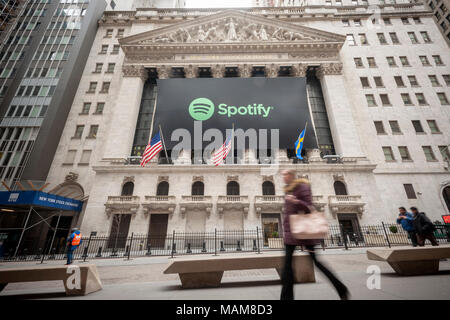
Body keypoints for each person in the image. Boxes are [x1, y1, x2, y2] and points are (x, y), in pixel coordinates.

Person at [280, 169, 349, 300]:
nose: (283, 177)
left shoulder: (302, 186)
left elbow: (308, 206)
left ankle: (341, 288)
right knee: (287, 267)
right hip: (291, 233)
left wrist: (296, 202)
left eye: (285, 174)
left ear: (291, 176)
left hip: (305, 233)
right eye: (282, 175)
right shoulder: (288, 190)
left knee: (316, 263)